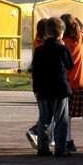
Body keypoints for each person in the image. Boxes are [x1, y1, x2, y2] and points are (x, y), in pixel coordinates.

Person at [31, 16, 73, 157]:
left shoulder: (39, 51)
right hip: (59, 89)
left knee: (44, 120)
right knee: (61, 120)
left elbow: (35, 72)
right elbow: (70, 65)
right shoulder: (62, 49)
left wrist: (35, 90)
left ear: (47, 32)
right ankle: (60, 149)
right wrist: (63, 45)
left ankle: (43, 147)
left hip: (42, 89)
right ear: (61, 33)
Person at [60, 14, 83, 152]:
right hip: (80, 81)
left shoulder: (61, 43)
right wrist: (77, 18)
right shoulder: (78, 38)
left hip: (65, 82)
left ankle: (69, 142)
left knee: (66, 115)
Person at [26, 18, 50, 149]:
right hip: (44, 84)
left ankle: (44, 136)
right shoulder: (43, 46)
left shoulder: (37, 42)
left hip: (38, 84)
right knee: (47, 113)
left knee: (45, 112)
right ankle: (35, 131)